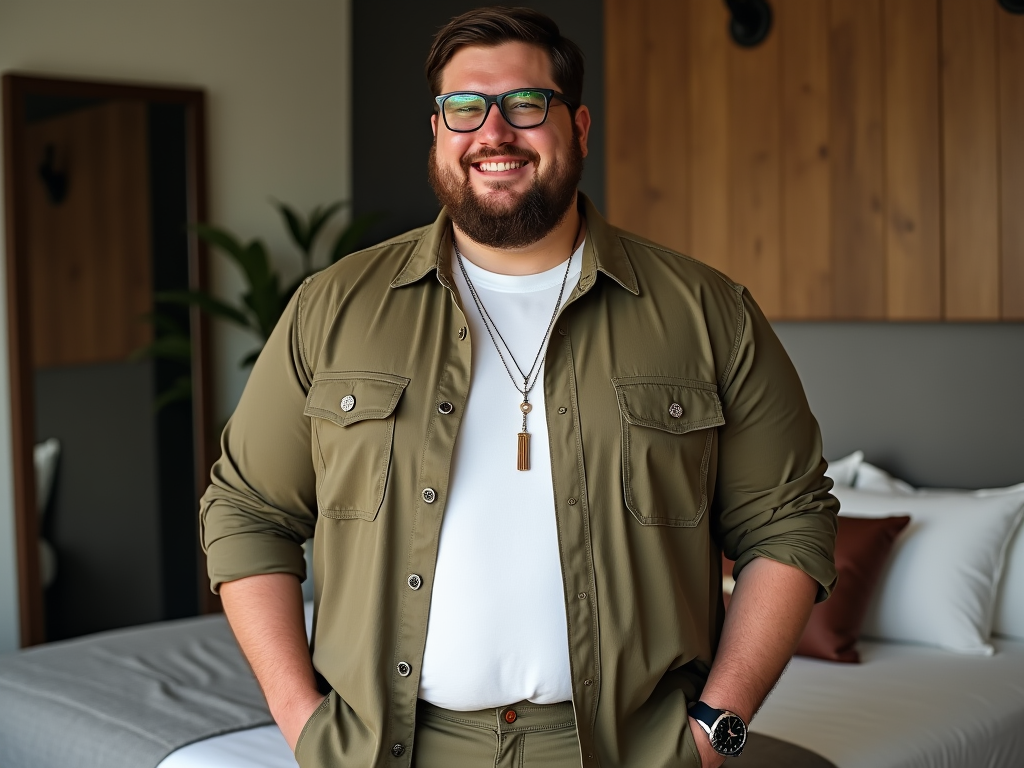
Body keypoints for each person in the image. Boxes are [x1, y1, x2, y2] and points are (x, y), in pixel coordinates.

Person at [200, 7, 838, 768]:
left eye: (525, 105)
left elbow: (789, 524)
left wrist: (712, 733)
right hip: (390, 751)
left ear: (579, 127)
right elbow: (247, 511)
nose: (493, 133)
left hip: (629, 751)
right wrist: (300, 718)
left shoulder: (707, 314)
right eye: (463, 108)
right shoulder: (333, 307)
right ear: (436, 131)